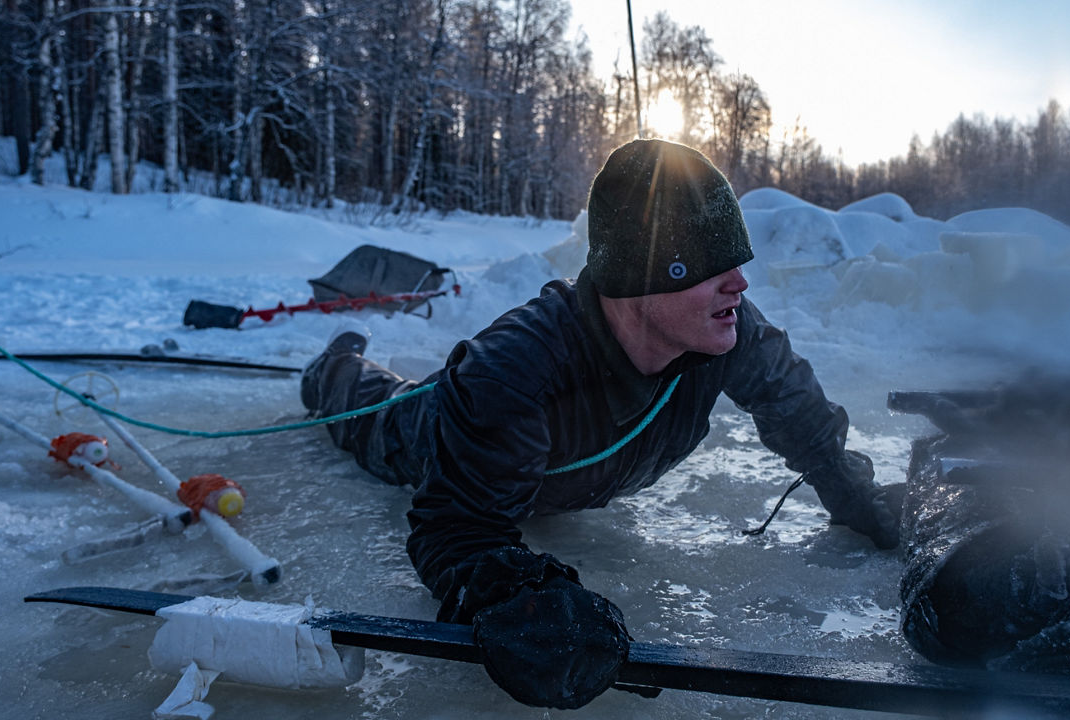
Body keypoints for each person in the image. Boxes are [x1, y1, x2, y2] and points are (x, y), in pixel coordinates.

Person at [300, 138, 900, 709]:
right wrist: (515, 596)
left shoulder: (729, 330)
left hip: (544, 475)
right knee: (371, 409)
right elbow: (456, 529)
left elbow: (805, 422)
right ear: (644, 274)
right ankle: (335, 361)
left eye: (737, 261)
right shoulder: (512, 369)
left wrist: (860, 500)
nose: (739, 282)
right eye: (712, 264)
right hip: (436, 432)